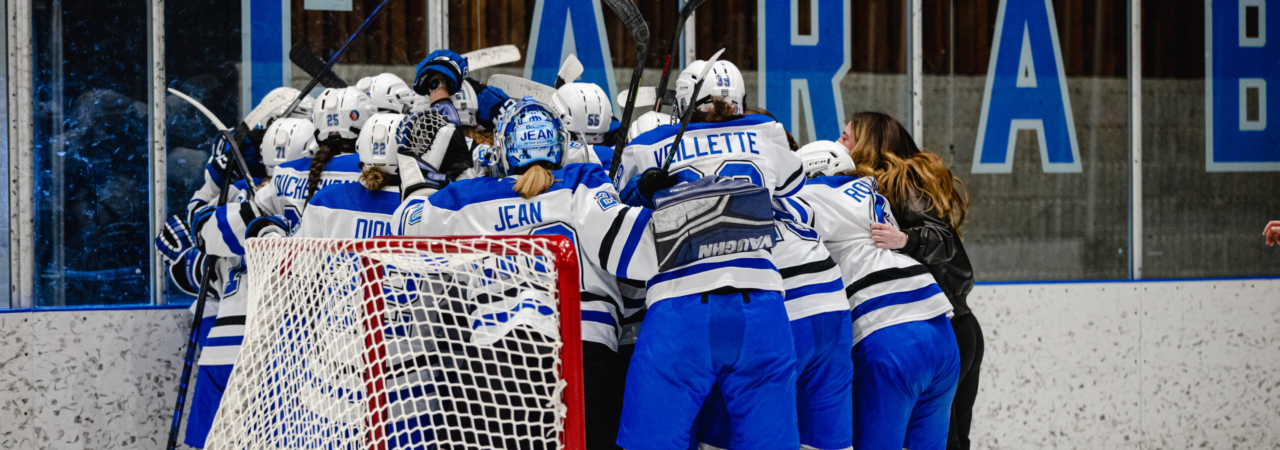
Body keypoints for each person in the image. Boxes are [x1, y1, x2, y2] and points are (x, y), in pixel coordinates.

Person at [393, 98, 656, 449]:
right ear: (561, 146)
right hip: (582, 355)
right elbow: (636, 252)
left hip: (494, 363)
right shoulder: (582, 181)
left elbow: (406, 229)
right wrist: (637, 201)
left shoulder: (470, 196)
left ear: (503, 150)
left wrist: (421, 180)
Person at [614, 58, 804, 450]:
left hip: (681, 309)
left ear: (681, 104)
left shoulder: (651, 144)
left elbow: (615, 205)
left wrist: (640, 189)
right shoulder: (766, 131)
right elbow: (790, 186)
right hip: (762, 309)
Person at [790, 138, 959, 450]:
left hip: (889, 334)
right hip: (941, 333)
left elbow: (775, 220)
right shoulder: (869, 191)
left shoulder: (818, 193)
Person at [836, 112, 979, 450]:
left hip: (946, 329)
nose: (837, 142)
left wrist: (908, 240)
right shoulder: (876, 187)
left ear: (868, 145)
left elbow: (957, 262)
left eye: (845, 137)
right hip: (945, 330)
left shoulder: (899, 183)